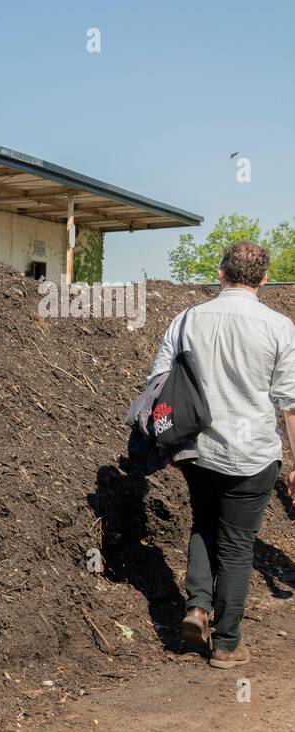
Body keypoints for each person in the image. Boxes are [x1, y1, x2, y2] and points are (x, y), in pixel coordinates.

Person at [147, 242, 295, 667]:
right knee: (237, 545)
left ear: (220, 272)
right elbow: (290, 403)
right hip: (252, 458)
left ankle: (196, 607)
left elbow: (159, 378)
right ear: (264, 279)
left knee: (203, 524)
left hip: (198, 449)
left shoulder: (188, 318)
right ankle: (227, 643)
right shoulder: (279, 326)